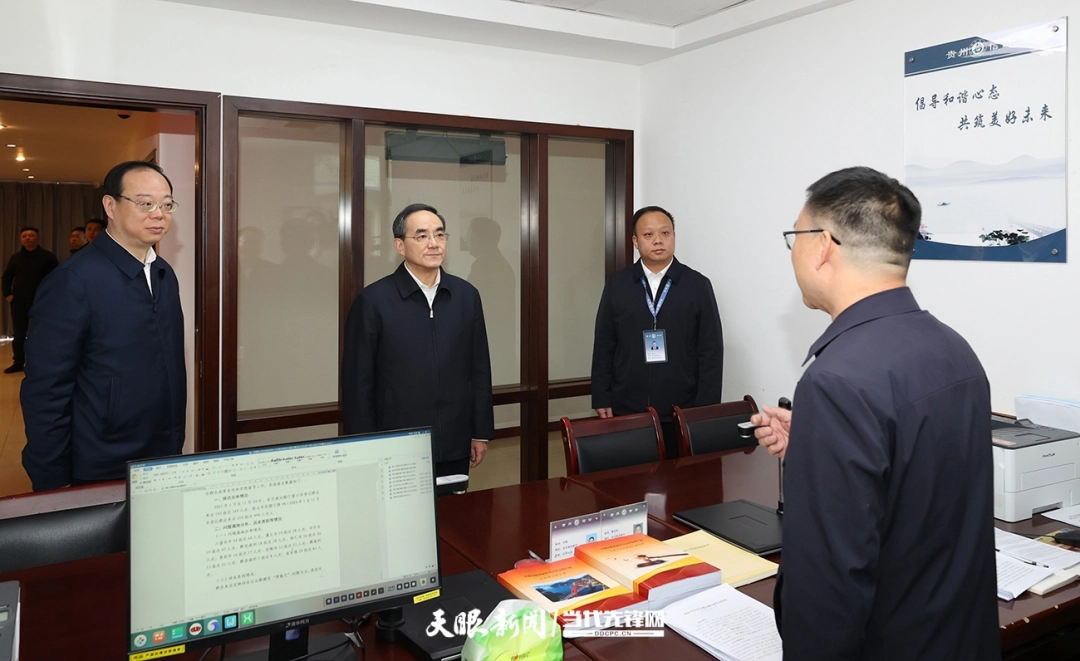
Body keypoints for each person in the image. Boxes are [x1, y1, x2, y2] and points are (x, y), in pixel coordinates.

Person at [752, 167, 999, 660]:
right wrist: (817, 444)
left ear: (822, 246)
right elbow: (919, 488)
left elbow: (828, 589)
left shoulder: (836, 379)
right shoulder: (955, 349)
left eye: (794, 238)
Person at [20, 161, 186, 491]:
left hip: (162, 453)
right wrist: (52, 482)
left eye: (166, 205)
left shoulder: (163, 273)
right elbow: (46, 390)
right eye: (145, 203)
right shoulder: (73, 280)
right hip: (102, 461)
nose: (158, 214)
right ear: (110, 206)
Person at [341, 203, 494, 478]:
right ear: (400, 246)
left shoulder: (466, 295)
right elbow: (358, 382)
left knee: (455, 505)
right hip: (396, 444)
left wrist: (480, 431)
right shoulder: (373, 301)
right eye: (422, 236)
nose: (434, 243)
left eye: (440, 234)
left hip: (455, 439)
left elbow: (479, 368)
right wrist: (364, 445)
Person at [591, 206, 724, 458]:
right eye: (648, 234)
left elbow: (711, 351)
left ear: (674, 236)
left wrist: (704, 408)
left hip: (681, 408)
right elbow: (604, 344)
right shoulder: (617, 285)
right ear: (635, 241)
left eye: (665, 233)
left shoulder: (697, 285)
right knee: (630, 474)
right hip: (627, 407)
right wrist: (601, 396)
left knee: (681, 477)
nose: (658, 240)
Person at [2, 227, 59, 373]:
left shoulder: (48, 257)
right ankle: (18, 362)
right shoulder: (15, 258)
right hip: (19, 302)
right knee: (19, 333)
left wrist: (51, 297)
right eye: (24, 236)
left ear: (37, 238)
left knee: (40, 333)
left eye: (31, 235)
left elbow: (56, 279)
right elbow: (7, 277)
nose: (27, 238)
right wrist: (8, 295)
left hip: (41, 301)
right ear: (21, 239)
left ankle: (41, 362)